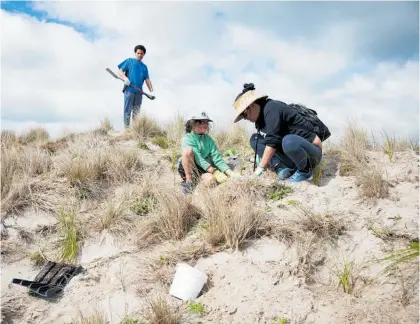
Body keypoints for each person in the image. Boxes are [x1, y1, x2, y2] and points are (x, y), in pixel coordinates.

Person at [232, 83, 329, 182]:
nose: (245, 118)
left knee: (288, 141)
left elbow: (273, 141)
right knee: (255, 140)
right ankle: (282, 168)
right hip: (291, 154)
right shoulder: (260, 120)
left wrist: (259, 169)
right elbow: (273, 140)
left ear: (251, 105)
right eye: (242, 116)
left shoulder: (272, 108)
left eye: (244, 114)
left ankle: (305, 172)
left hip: (311, 154)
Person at [177, 112, 240, 194]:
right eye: (201, 122)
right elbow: (198, 158)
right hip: (189, 167)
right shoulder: (187, 138)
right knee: (188, 151)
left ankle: (197, 182)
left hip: (202, 169)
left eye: (206, 122)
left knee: (210, 180)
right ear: (193, 123)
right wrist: (214, 171)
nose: (205, 124)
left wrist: (230, 173)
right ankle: (188, 181)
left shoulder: (209, 140)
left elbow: (217, 159)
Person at [117, 45, 154, 128]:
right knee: (127, 110)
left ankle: (135, 130)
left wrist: (151, 92)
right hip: (129, 90)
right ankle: (127, 130)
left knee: (136, 112)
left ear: (144, 54)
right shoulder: (129, 61)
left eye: (141, 53)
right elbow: (120, 70)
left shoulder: (144, 67)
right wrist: (125, 78)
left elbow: (147, 80)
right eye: (138, 53)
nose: (139, 55)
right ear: (135, 53)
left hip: (139, 92)